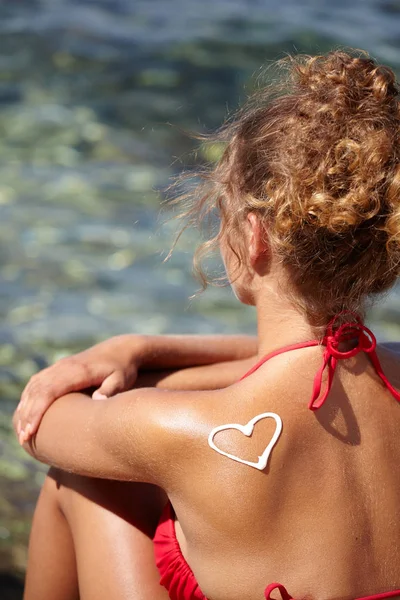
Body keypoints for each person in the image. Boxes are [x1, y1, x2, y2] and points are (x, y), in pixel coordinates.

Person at [14, 49, 400, 600]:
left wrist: (145, 378)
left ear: (253, 235)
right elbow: (307, 360)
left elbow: (41, 423)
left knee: (84, 478)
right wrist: (141, 348)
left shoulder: (185, 430)